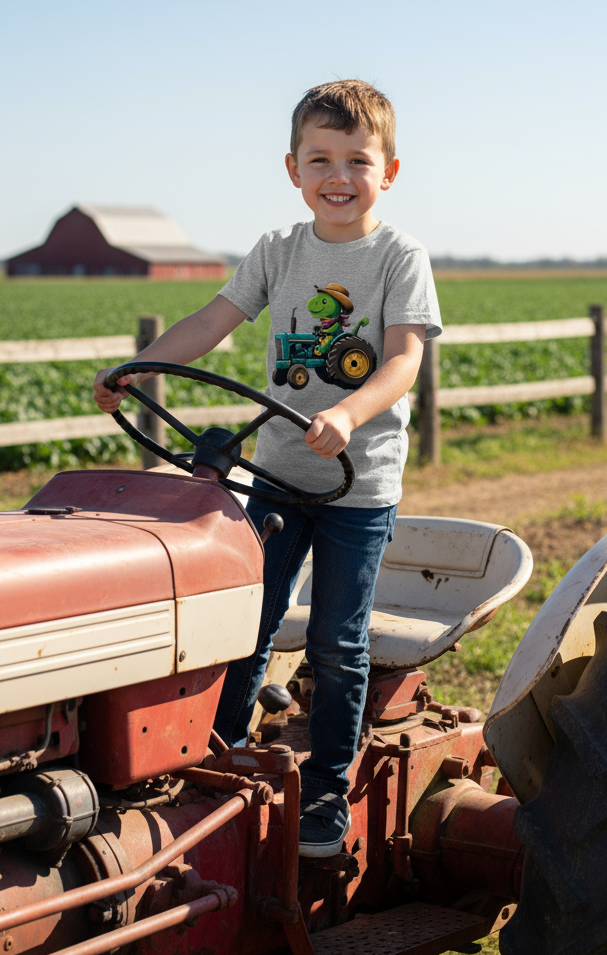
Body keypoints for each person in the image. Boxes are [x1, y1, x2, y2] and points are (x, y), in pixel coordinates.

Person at [94, 79, 441, 858]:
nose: (338, 176)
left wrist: (349, 414)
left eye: (358, 159)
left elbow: (403, 361)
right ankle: (212, 762)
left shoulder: (398, 256)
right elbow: (214, 321)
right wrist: (139, 367)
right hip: (280, 477)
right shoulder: (277, 251)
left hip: (359, 487)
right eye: (321, 159)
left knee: (335, 642)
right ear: (293, 169)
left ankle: (323, 792)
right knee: (244, 623)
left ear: (389, 171)